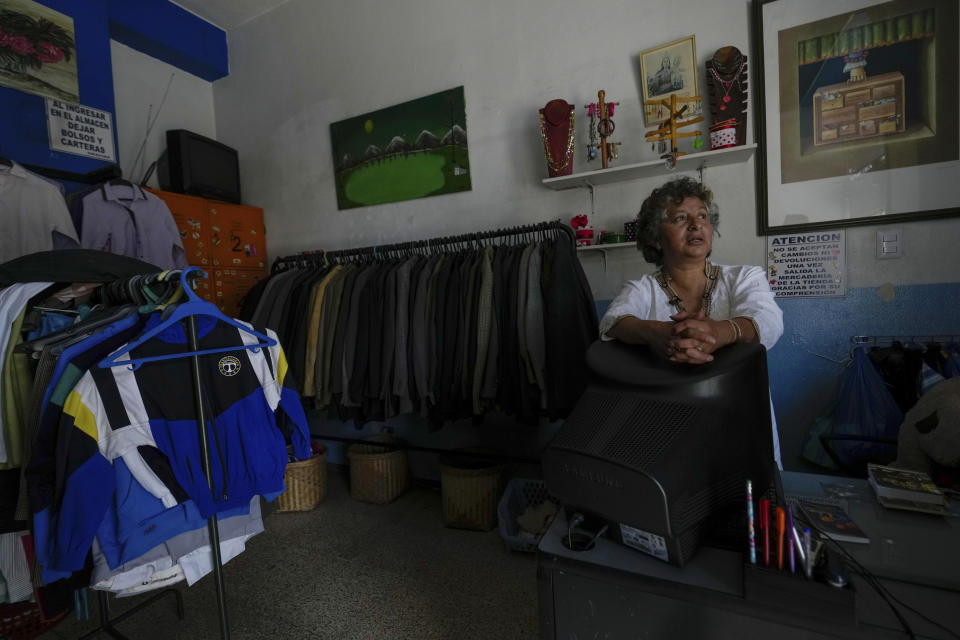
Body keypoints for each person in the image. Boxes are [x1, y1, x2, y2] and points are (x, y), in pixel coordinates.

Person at [598, 176, 784, 465]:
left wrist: (720, 332)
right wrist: (657, 332)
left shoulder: (745, 277)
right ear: (655, 238)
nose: (696, 225)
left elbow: (768, 321)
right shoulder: (641, 289)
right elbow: (612, 321)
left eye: (702, 217)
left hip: (741, 420)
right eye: (680, 218)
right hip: (666, 430)